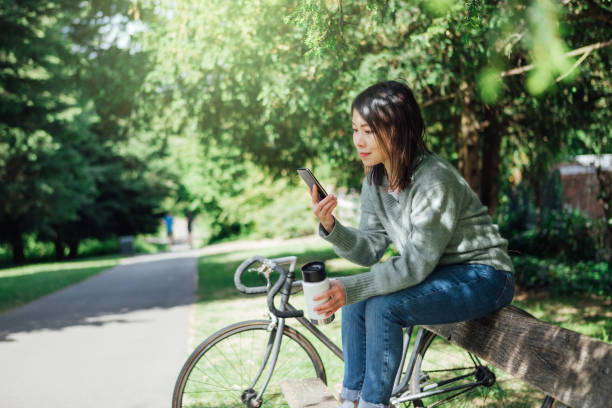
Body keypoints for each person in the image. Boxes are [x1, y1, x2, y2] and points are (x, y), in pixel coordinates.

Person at [308, 81, 514, 408]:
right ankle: (353, 398)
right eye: (354, 130)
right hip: (440, 274)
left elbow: (415, 264)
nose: (358, 140)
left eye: (368, 131)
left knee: (381, 306)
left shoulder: (434, 179)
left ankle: (373, 403)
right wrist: (331, 226)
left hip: (485, 276)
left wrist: (351, 286)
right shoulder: (375, 181)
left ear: (395, 130)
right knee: (357, 302)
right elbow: (370, 249)